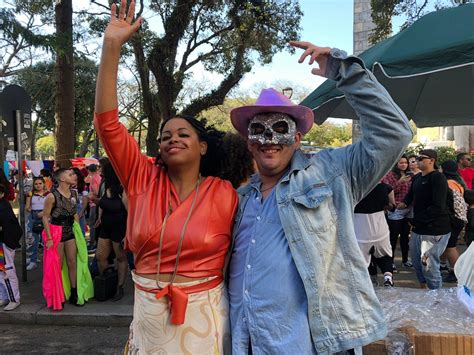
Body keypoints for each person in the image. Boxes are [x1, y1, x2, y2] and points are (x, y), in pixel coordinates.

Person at [228, 40, 412, 354]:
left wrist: (344, 71)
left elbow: (394, 132)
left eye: (280, 128)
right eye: (259, 130)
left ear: (297, 139)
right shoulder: (239, 199)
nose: (269, 139)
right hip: (248, 343)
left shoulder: (331, 173)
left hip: (311, 345)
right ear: (248, 142)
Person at [94, 2, 244, 352]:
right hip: (148, 316)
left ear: (203, 147)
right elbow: (108, 124)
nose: (171, 138)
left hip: (204, 321)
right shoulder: (141, 177)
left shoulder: (226, 193)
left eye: (183, 134)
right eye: (165, 135)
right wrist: (112, 47)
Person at [398, 149, 451, 290]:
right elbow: (410, 195)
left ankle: (437, 298)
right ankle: (424, 291)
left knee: (428, 265)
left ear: (432, 161)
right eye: (417, 158)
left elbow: (438, 206)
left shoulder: (437, 178)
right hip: (418, 228)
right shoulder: (417, 178)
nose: (418, 161)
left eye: (422, 158)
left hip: (434, 228)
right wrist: (404, 203)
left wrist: (417, 220)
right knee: (416, 262)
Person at [42, 168, 81, 306]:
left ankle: (74, 292)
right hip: (56, 232)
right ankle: (58, 295)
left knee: (72, 262)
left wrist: (79, 232)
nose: (74, 176)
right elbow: (45, 217)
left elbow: (75, 213)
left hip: (70, 231)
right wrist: (49, 238)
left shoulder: (74, 194)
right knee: (58, 265)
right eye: (70, 174)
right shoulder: (52, 196)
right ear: (62, 179)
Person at [95, 157, 128, 301]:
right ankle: (108, 280)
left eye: (102, 169)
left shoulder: (122, 188)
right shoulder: (104, 185)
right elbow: (104, 203)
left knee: (120, 258)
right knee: (100, 256)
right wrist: (99, 217)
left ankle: (119, 287)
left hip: (119, 227)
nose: (100, 171)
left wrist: (128, 233)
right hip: (106, 226)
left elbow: (130, 210)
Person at [353, 183, 395, 288]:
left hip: (360, 226)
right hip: (379, 224)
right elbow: (392, 206)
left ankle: (370, 282)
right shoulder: (383, 186)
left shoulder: (353, 186)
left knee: (362, 257)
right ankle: (388, 277)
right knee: (385, 254)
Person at [382, 155, 413, 269]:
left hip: (407, 208)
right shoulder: (390, 175)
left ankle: (405, 260)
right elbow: (388, 191)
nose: (404, 165)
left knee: (405, 236)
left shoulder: (410, 175)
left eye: (405, 162)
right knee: (393, 237)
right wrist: (400, 181)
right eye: (401, 163)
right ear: (395, 163)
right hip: (395, 209)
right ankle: (390, 261)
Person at [440, 160, 468, 283]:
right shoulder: (458, 181)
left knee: (450, 246)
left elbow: (447, 203)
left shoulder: (448, 183)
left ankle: (456, 272)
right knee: (448, 245)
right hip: (459, 217)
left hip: (453, 218)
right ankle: (444, 265)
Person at [0, 184, 22, 311]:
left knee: (6, 271)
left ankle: (13, 298)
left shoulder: (3, 207)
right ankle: (5, 296)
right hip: (4, 243)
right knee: (2, 271)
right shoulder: (4, 206)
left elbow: (9, 228)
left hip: (4, 244)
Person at [25, 177, 50, 271]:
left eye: (40, 183)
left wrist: (44, 213)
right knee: (33, 240)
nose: (38, 185)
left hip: (46, 217)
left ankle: (48, 260)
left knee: (46, 240)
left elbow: (51, 207)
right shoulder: (30, 194)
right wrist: (31, 210)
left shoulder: (49, 194)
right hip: (33, 216)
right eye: (36, 184)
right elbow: (27, 207)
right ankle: (33, 260)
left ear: (43, 184)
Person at [85, 163, 102, 251]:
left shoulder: (94, 179)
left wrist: (90, 195)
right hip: (97, 204)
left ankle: (93, 243)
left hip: (94, 204)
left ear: (89, 170)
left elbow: (96, 192)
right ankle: (94, 242)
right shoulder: (98, 177)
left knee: (92, 224)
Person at [72, 168, 89, 236]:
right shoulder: (67, 185)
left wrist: (81, 213)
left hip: (80, 211)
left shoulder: (83, 186)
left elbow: (85, 200)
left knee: (81, 233)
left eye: (72, 173)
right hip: (69, 211)